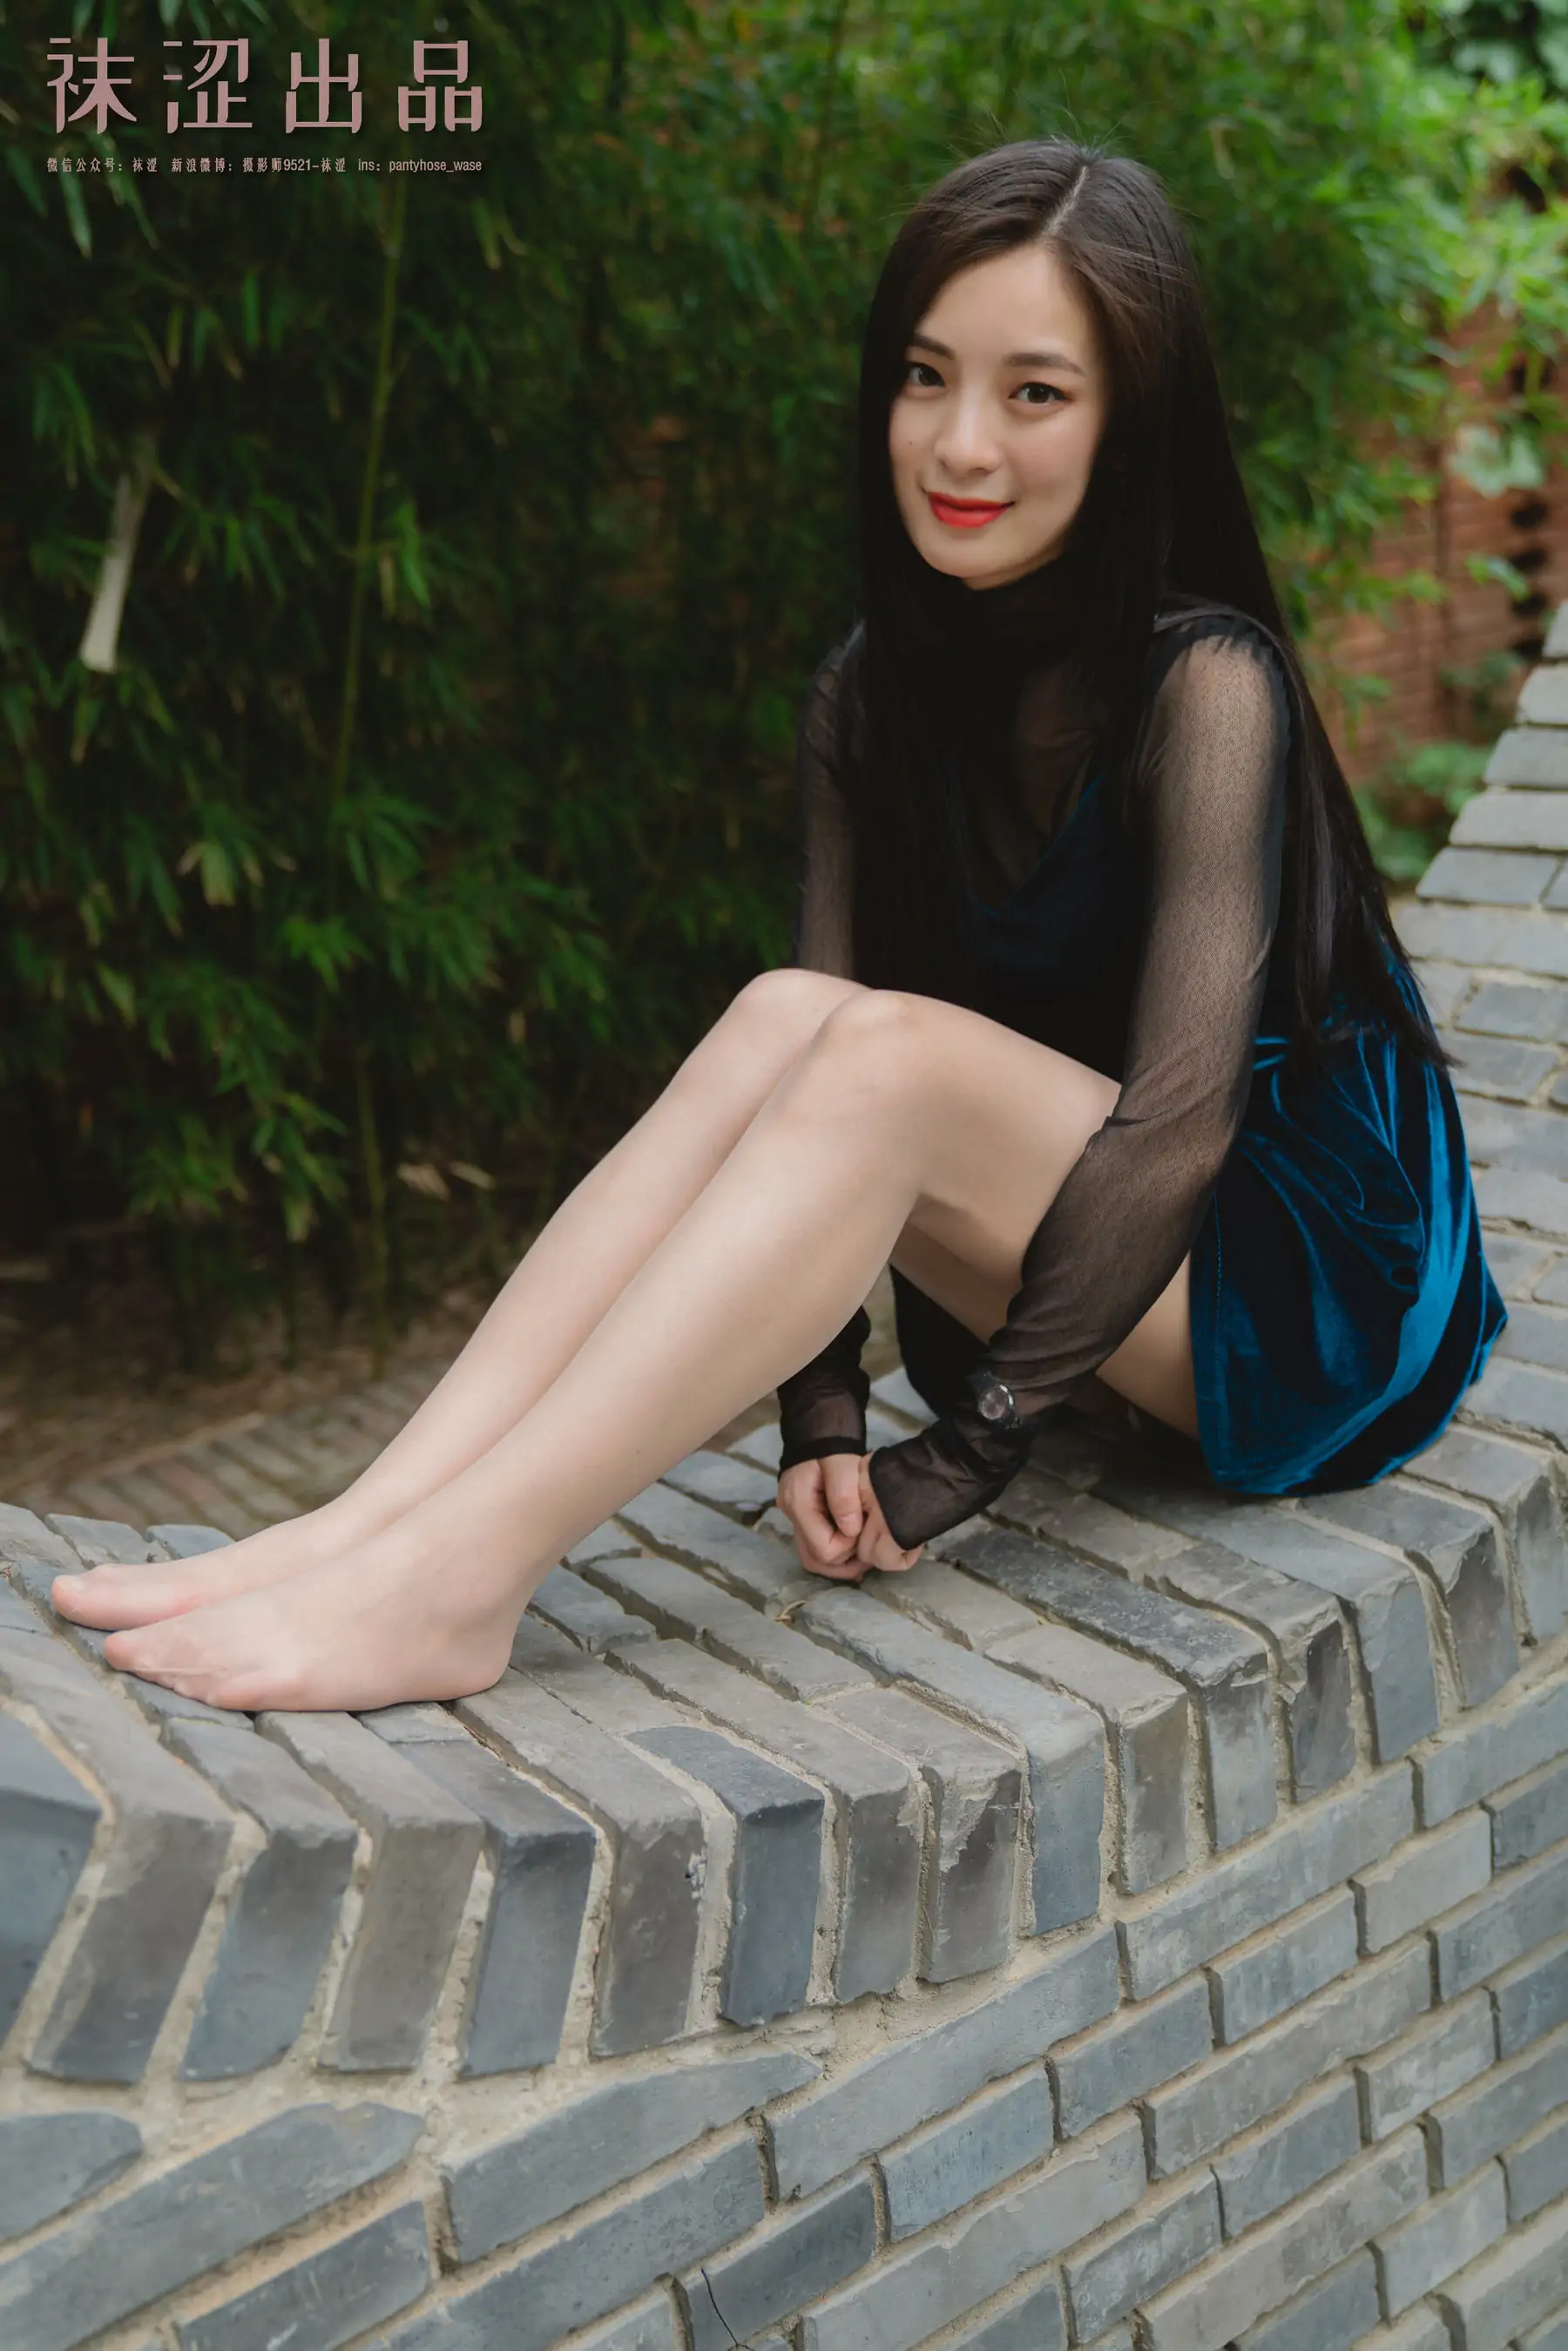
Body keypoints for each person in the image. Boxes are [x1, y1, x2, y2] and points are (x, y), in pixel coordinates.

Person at [51, 139, 1504, 1714]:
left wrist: (966, 1448)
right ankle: (362, 1527)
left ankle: (457, 1585)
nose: (959, 441)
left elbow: (1177, 1124)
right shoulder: (870, 693)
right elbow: (809, 1079)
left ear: (1130, 422)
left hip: (1305, 1279)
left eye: (1034, 392)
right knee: (784, 1011)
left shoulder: (1208, 683)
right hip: (1088, 1232)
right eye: (926, 376)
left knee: (878, 1051)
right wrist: (822, 1412)